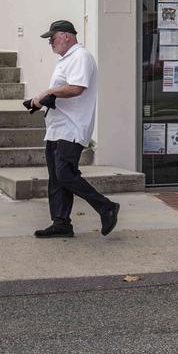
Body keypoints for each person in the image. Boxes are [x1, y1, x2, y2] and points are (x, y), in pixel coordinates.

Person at [30, 20, 120, 239]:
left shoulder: (81, 56)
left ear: (67, 36)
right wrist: (45, 100)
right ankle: (61, 223)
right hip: (57, 127)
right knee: (56, 177)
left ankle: (106, 206)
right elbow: (65, 90)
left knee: (65, 174)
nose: (50, 42)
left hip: (72, 128)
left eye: (52, 38)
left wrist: (46, 93)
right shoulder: (66, 60)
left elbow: (76, 88)